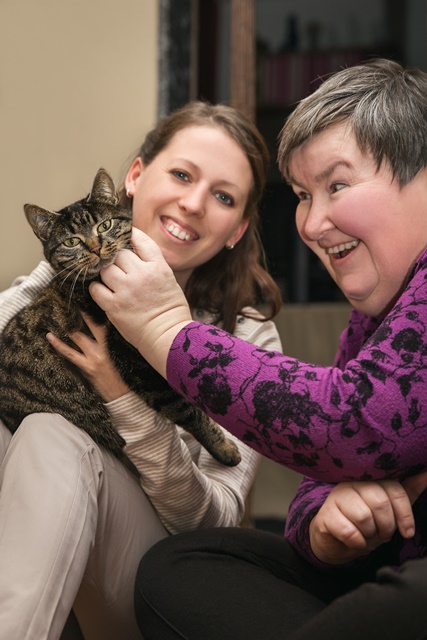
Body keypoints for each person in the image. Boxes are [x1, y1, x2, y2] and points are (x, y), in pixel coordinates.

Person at [86, 59, 427, 639]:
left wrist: (165, 329)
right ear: (136, 177)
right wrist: (325, 527)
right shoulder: (367, 326)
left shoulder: (247, 328)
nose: (313, 223)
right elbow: (318, 485)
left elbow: (346, 420)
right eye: (300, 195)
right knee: (180, 569)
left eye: (337, 185)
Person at [0, 101, 284, 640]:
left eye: (223, 197)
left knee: (51, 433)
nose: (194, 203)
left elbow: (218, 519)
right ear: (134, 178)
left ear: (235, 230)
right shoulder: (68, 273)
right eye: (181, 174)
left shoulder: (249, 338)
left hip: (154, 572)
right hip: (38, 539)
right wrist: (60, 267)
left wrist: (120, 396)